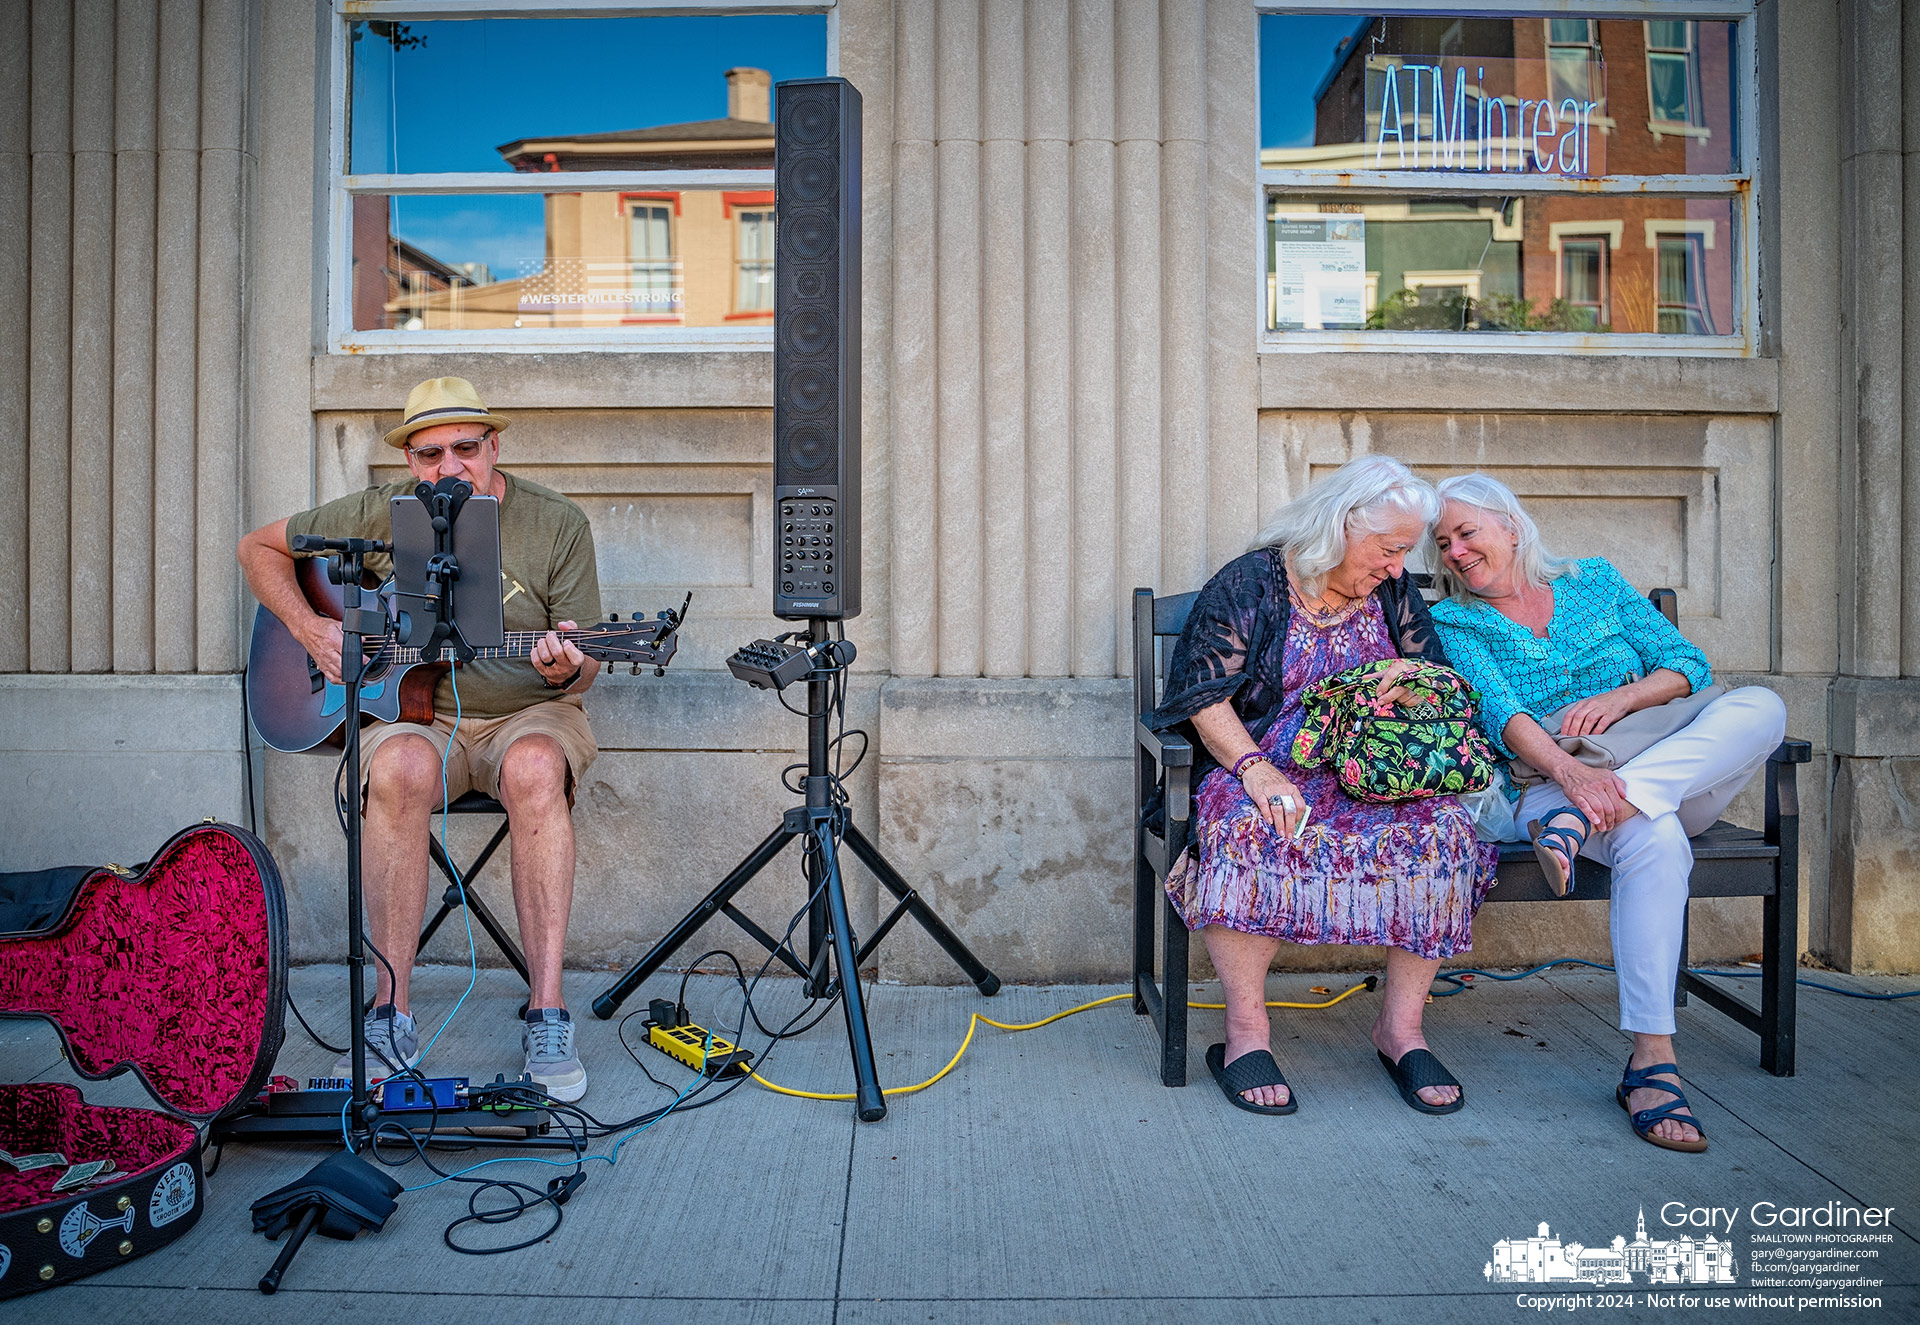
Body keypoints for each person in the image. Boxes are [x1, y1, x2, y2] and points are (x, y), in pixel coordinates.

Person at [238, 377, 603, 1102]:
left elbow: (586, 668)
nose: (451, 465)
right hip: (418, 717)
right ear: (410, 461)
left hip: (527, 713)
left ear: (493, 446)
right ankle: (389, 1013)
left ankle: (548, 1014)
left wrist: (572, 659)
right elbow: (258, 548)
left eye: (467, 447)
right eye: (431, 452)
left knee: (535, 768)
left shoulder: (556, 522)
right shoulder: (379, 515)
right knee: (399, 765)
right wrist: (313, 630)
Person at [1427, 472, 1787, 1153]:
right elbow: (1501, 712)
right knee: (1654, 841)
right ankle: (1653, 1063)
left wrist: (1622, 703)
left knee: (1763, 707)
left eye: (1466, 533)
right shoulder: (1455, 620)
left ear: (1510, 524)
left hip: (1658, 765)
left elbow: (1687, 665)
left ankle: (1610, 808)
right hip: (1552, 785)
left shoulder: (1593, 579)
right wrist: (1571, 773)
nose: (1454, 553)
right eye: (1442, 544)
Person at [1147, 456, 1499, 1116]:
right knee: (1250, 826)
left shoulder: (1389, 591)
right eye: (1390, 549)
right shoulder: (1251, 583)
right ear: (1340, 527)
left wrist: (1406, 683)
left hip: (1370, 770)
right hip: (1262, 760)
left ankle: (1401, 1029)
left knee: (1445, 828)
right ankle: (1246, 1036)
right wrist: (1257, 770)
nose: (1399, 568)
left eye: (1404, 552)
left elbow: (1438, 676)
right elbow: (1204, 696)